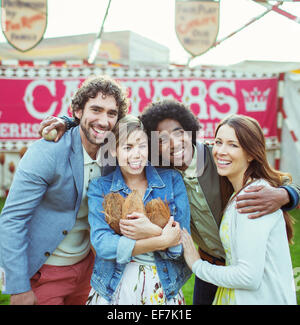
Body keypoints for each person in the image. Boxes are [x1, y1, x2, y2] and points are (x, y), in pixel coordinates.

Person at [39, 98, 300, 305]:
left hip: (238, 265)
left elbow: (262, 170)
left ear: (191, 130)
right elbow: (121, 134)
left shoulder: (218, 159)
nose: (174, 143)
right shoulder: (163, 170)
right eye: (162, 139)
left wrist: (287, 194)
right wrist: (69, 122)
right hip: (208, 265)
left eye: (179, 132)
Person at [0, 75, 129, 305]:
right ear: (78, 111)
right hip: (44, 272)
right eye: (96, 110)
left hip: (87, 269)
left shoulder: (113, 154)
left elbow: (146, 139)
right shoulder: (47, 152)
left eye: (111, 113)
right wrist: (19, 287)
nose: (103, 120)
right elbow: (12, 219)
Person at [181, 114, 297, 305]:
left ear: (251, 153)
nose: (221, 151)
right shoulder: (238, 191)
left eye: (233, 145)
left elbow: (248, 276)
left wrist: (197, 265)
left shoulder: (254, 198)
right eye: (218, 142)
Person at [86, 115, 191, 305]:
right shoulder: (100, 188)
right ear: (114, 149)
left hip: (163, 287)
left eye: (142, 146)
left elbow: (182, 244)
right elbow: (103, 244)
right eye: (128, 147)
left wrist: (151, 230)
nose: (137, 154)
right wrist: (161, 240)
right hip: (114, 287)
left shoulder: (172, 181)